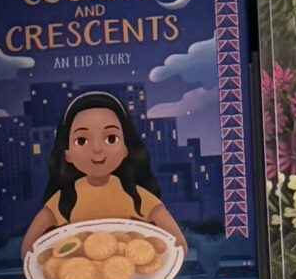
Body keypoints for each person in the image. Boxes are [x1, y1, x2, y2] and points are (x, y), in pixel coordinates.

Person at [22, 92, 184, 258]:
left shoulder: (133, 194)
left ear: (125, 149)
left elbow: (178, 243)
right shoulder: (66, 198)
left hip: (130, 268)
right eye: (82, 141)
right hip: (78, 268)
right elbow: (28, 249)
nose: (97, 148)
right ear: (67, 153)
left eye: (111, 138)